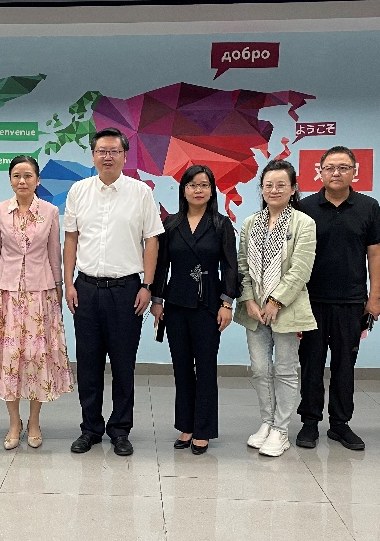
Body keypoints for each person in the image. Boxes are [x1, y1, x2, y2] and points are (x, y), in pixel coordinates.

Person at [64, 127, 164, 456]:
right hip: (86, 288)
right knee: (88, 364)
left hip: (127, 290)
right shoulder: (79, 191)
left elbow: (152, 240)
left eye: (114, 151)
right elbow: (71, 238)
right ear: (93, 155)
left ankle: (120, 429)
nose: (107, 156)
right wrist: (68, 283)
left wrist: (147, 285)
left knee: (123, 364)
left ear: (124, 155)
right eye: (101, 151)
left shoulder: (141, 192)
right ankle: (90, 428)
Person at [296, 146, 380, 451]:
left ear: (354, 172)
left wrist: (374, 297)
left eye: (344, 167)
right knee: (311, 363)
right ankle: (310, 422)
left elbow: (375, 253)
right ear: (320, 172)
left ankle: (340, 424)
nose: (336, 173)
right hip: (310, 301)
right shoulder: (304, 207)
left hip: (351, 301)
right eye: (330, 168)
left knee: (345, 364)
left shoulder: (368, 206)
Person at [0, 155, 74, 449]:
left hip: (40, 293)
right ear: (10, 180)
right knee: (9, 358)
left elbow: (54, 253)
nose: (22, 181)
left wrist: (58, 288)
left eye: (28, 176)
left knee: (35, 358)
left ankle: (33, 421)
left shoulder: (50, 211)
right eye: (17, 176)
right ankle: (13, 422)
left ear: (37, 180)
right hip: (6, 294)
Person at [150, 165, 237, 455]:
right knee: (182, 367)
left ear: (212, 190)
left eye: (203, 185)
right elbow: (162, 265)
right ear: (183, 190)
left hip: (209, 304)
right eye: (192, 185)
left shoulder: (221, 224)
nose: (198, 190)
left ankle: (204, 429)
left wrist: (227, 302)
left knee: (206, 367)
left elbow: (230, 266)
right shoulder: (171, 224)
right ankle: (186, 425)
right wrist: (157, 301)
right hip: (176, 303)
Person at [235, 159, 317, 457]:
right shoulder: (250, 223)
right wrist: (249, 299)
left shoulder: (303, 223)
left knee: (285, 370)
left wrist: (275, 301)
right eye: (268, 185)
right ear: (261, 189)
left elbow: (300, 269)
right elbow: (242, 266)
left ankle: (281, 429)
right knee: (259, 369)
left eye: (281, 184)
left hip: (287, 308)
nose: (274, 190)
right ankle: (267, 423)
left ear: (293, 188)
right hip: (254, 310)